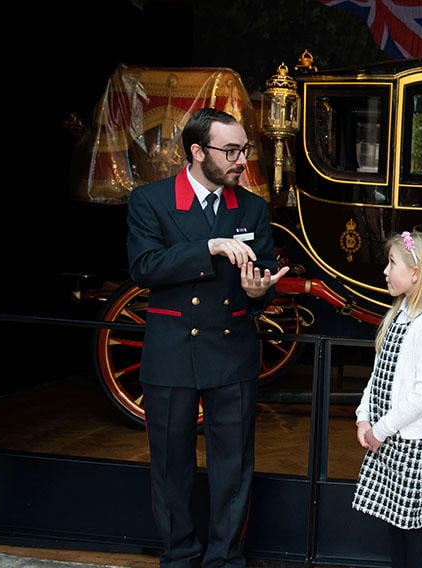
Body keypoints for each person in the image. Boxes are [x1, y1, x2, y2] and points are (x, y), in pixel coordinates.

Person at [126, 107, 290, 567]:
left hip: (231, 351)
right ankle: (179, 556)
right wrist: (209, 247)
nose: (241, 160)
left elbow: (258, 281)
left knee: (233, 468)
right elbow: (144, 268)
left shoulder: (253, 208)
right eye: (231, 151)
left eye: (244, 150)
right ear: (198, 152)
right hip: (171, 351)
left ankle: (224, 559)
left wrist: (257, 292)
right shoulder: (150, 201)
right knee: (170, 466)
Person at [352, 230, 422, 568]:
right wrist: (363, 417)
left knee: (413, 526)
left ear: (416, 273)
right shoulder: (398, 314)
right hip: (387, 436)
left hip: (411, 442)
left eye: (392, 263)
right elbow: (379, 373)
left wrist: (381, 428)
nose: (385, 270)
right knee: (395, 522)